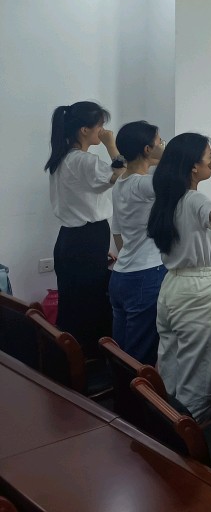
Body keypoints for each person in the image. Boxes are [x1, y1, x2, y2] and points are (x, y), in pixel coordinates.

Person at [147, 133, 211, 422]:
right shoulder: (195, 198)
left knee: (171, 367)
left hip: (173, 285)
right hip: (198, 288)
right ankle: (188, 438)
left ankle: (165, 427)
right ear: (194, 167)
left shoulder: (168, 199)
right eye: (210, 157)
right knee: (198, 378)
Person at [45, 101, 122, 354]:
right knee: (89, 305)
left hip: (71, 239)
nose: (103, 131)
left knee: (73, 303)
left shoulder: (62, 158)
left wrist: (97, 250)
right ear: (84, 130)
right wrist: (111, 144)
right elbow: (121, 174)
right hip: (87, 238)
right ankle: (89, 363)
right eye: (100, 126)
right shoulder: (84, 161)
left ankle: (69, 360)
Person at [108, 120, 165, 363]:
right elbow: (177, 182)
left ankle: (118, 387)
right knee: (140, 356)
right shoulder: (145, 184)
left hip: (121, 274)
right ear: (147, 149)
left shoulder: (121, 183)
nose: (163, 145)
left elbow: (117, 232)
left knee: (121, 350)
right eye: (160, 141)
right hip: (146, 275)